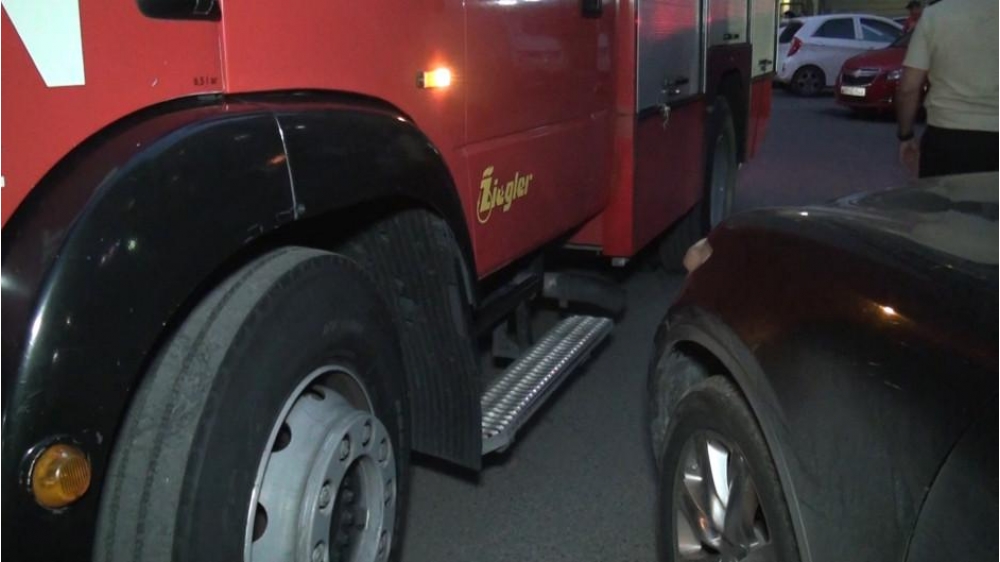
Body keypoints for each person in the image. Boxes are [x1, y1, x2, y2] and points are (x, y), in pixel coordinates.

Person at [896, 0, 998, 178]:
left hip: (947, 136)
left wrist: (906, 135)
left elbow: (909, 88)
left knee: (943, 195)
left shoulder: (935, 15)